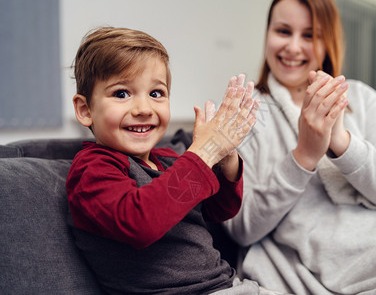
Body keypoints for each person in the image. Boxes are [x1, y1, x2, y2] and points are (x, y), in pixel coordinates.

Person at [223, 0, 376, 294]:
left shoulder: (362, 98)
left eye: (309, 35)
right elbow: (240, 228)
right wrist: (304, 155)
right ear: (267, 34)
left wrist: (341, 142)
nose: (293, 47)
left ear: (329, 40)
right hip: (322, 266)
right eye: (282, 31)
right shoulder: (247, 113)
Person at [66, 26, 285, 295]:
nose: (144, 109)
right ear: (85, 109)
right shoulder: (92, 168)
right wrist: (201, 155)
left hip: (228, 285)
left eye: (156, 93)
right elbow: (140, 222)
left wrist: (224, 156)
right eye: (122, 93)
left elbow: (219, 211)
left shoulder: (168, 161)